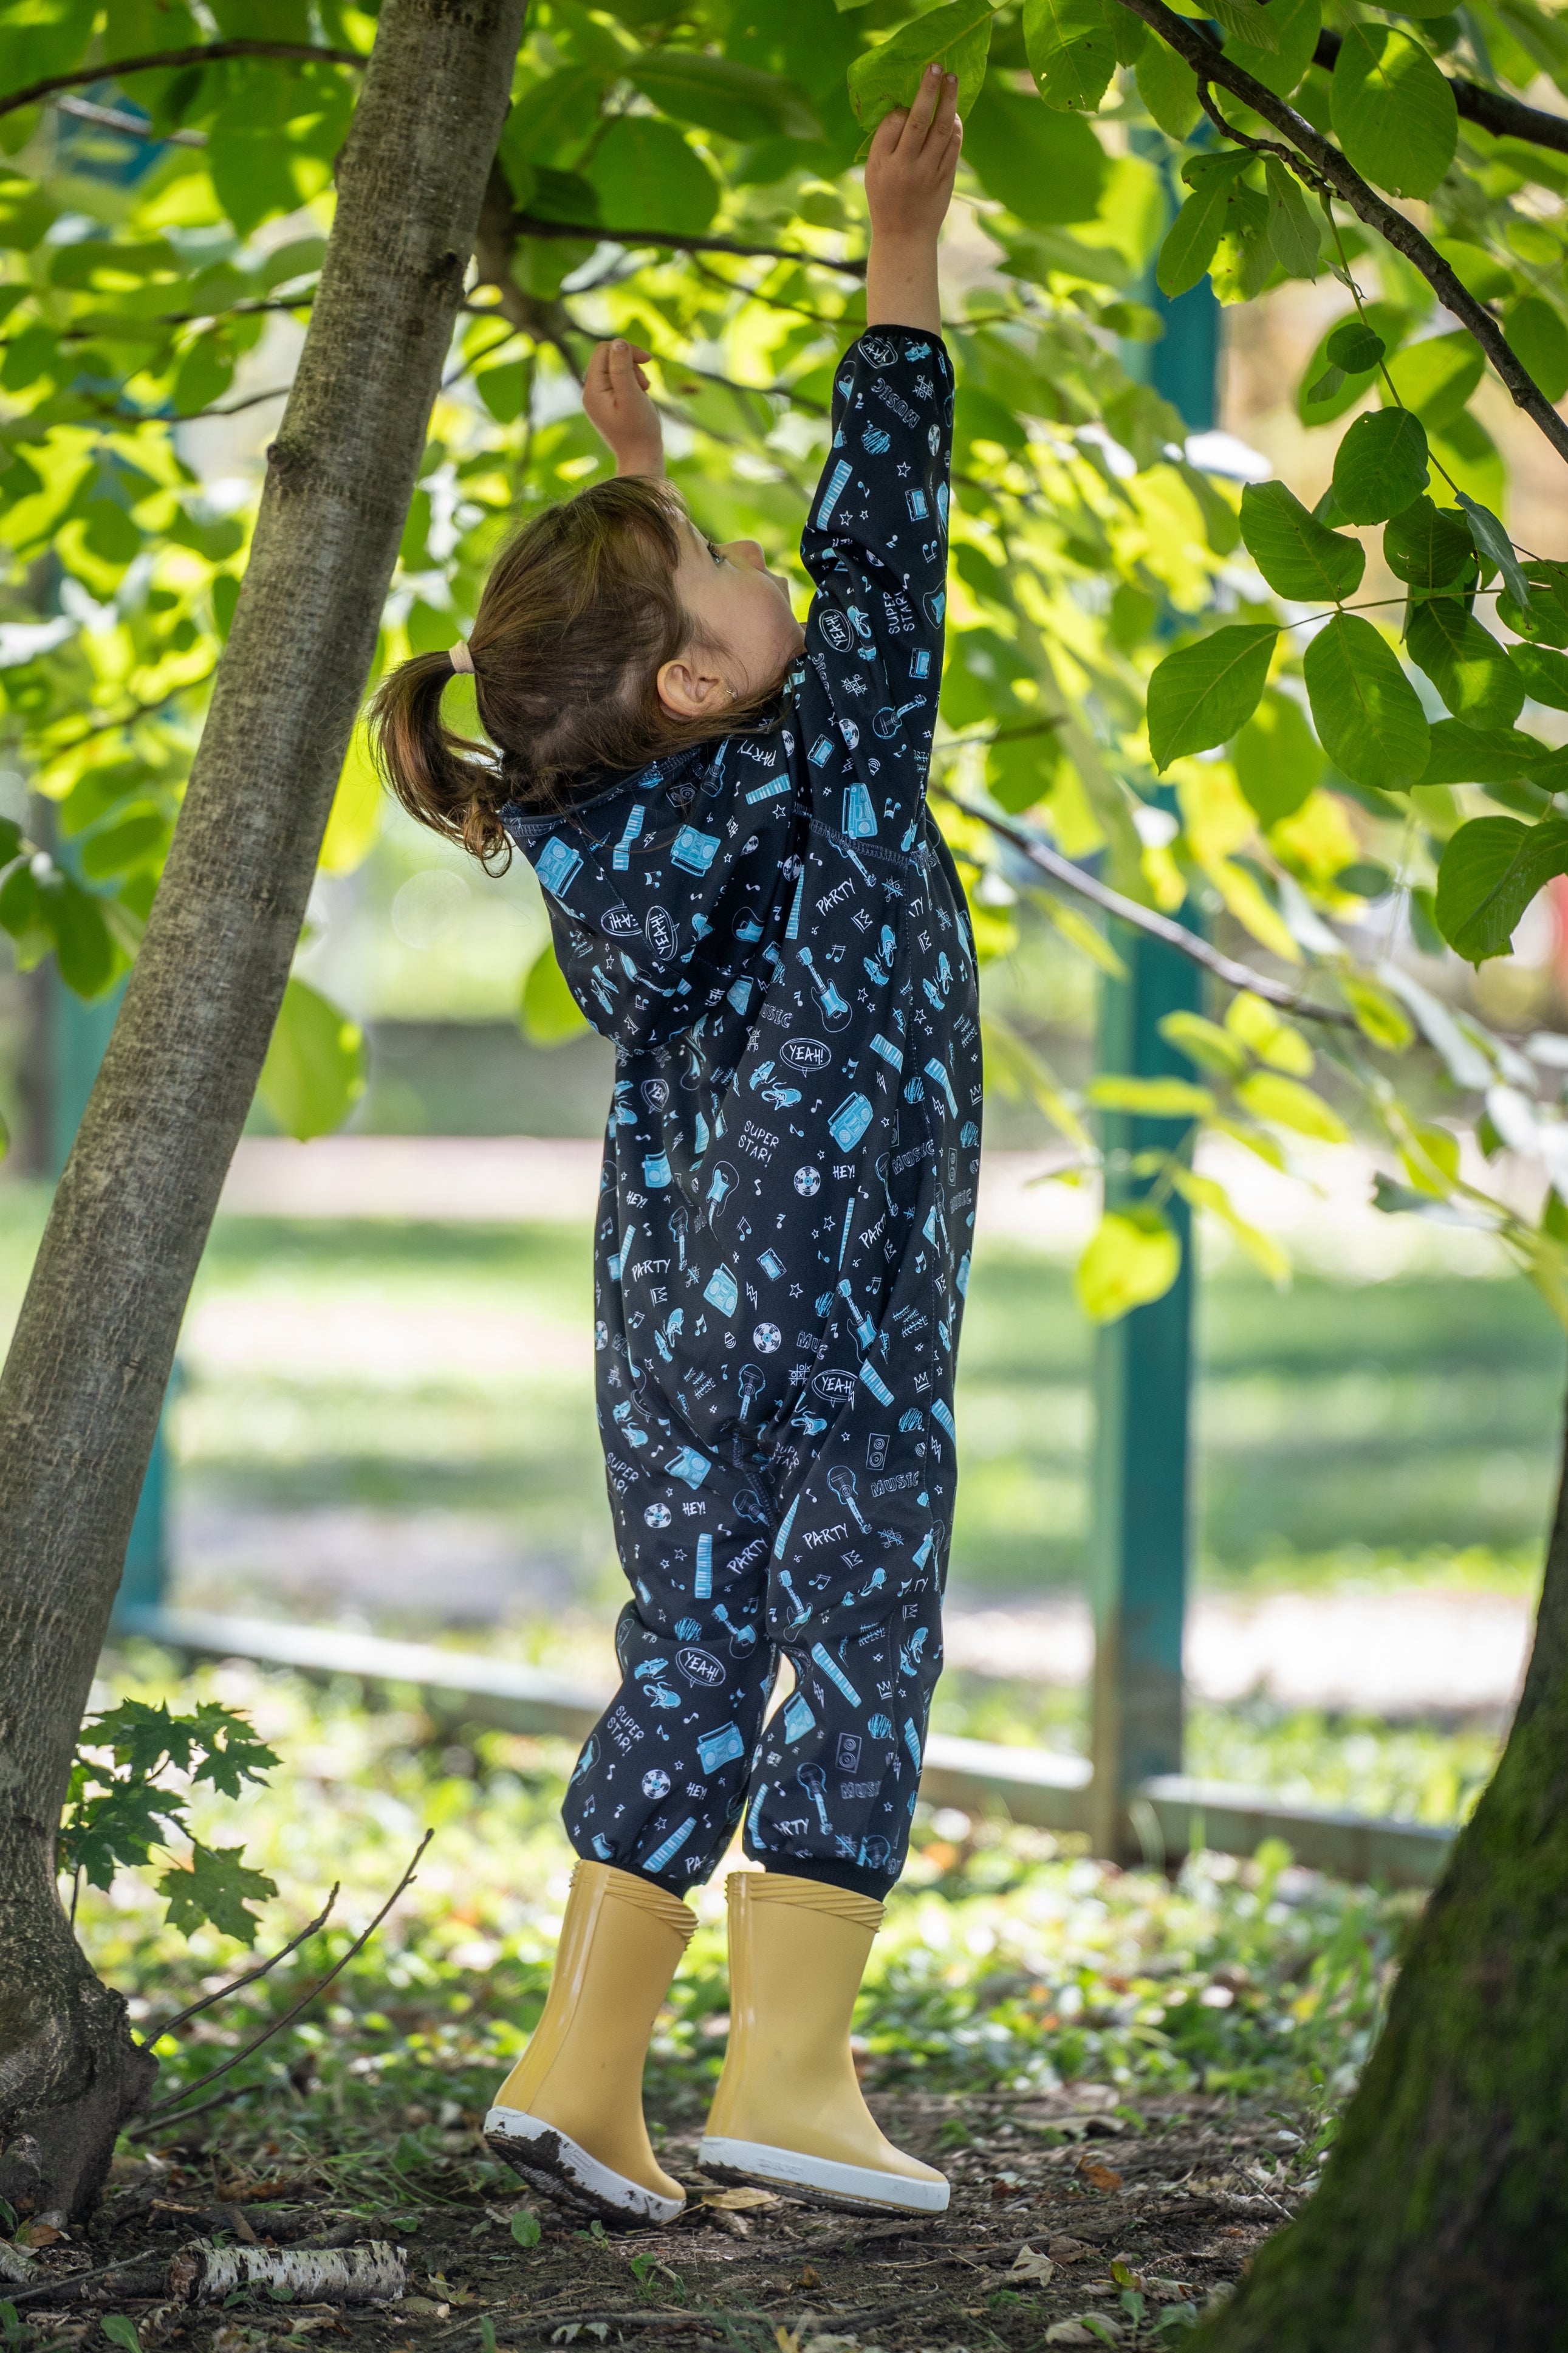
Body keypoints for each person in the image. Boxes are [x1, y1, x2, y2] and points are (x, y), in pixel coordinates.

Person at [371, 66, 974, 2227]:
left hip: (675, 1314)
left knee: (700, 1632)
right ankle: (794, 2073)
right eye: (727, 563)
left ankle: (583, 2062)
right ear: (707, 686)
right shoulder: (828, 763)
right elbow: (881, 546)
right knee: (864, 1616)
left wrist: (641, 484)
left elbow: (683, 654)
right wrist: (899, 258)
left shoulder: (599, 805)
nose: (761, 559)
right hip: (839, 1305)